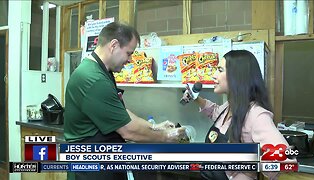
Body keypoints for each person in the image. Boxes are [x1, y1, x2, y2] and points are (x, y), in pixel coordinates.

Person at [64, 22, 187, 180]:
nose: (130, 60)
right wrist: (166, 137)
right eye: (129, 53)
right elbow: (128, 130)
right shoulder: (93, 79)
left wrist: (154, 127)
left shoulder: (103, 72)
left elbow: (121, 114)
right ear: (114, 45)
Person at [183, 50, 290, 180]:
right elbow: (215, 112)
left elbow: (285, 159)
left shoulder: (256, 115)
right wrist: (196, 99)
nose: (214, 75)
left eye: (220, 70)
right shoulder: (230, 106)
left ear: (237, 76)